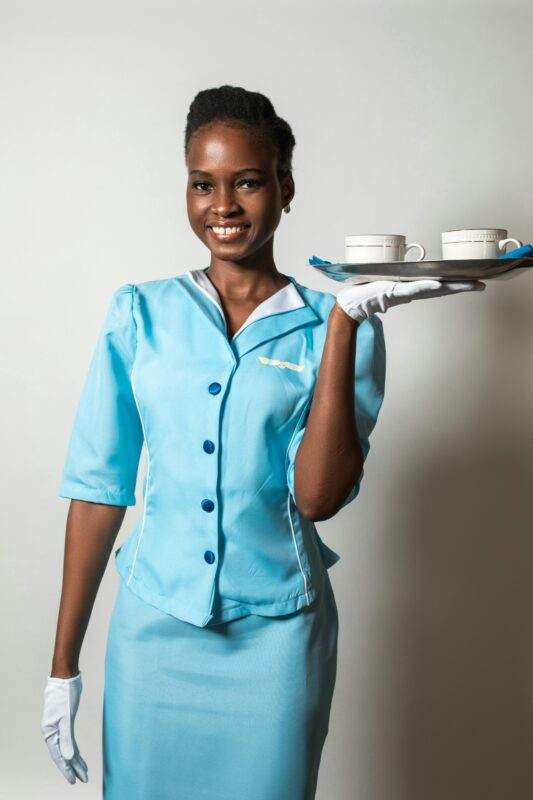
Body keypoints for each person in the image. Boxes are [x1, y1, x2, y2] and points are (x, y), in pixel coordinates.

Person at [41, 85, 485, 800]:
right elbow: (98, 492)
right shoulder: (139, 314)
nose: (223, 205)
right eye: (202, 184)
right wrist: (62, 667)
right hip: (153, 635)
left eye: (247, 181)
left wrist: (342, 326)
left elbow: (318, 497)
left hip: (277, 643)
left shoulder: (333, 323)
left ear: (285, 186)